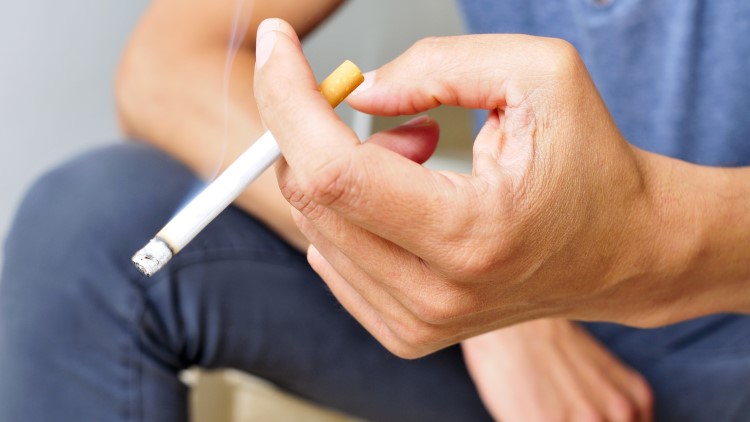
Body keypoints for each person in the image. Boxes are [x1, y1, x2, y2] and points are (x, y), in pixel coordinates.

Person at [1, 0, 749, 420]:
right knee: (90, 225)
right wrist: (477, 286)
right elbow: (164, 65)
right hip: (529, 322)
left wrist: (636, 250)